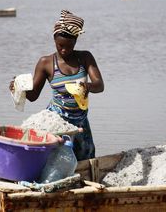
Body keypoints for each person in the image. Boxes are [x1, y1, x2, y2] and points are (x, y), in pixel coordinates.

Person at [9, 10, 104, 161]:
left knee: (86, 158)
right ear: (54, 39)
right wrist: (18, 88)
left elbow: (99, 85)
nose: (64, 50)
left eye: (69, 46)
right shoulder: (46, 63)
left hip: (80, 120)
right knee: (59, 159)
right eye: (60, 45)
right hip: (57, 120)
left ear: (76, 41)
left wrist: (86, 87)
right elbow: (33, 96)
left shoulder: (85, 57)